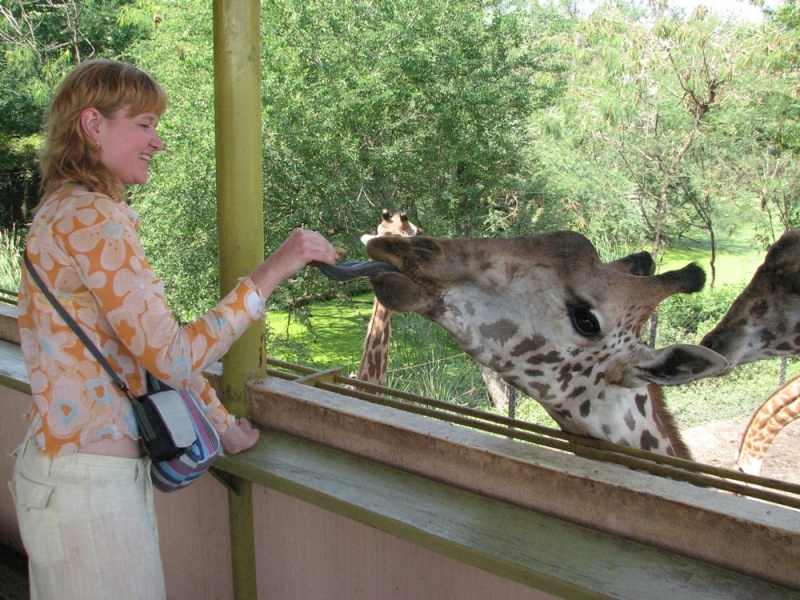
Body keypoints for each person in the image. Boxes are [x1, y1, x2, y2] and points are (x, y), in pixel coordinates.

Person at [9, 58, 339, 600]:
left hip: (65, 476)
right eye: (144, 125)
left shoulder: (61, 209)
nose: (156, 142)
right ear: (92, 124)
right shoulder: (91, 217)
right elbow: (172, 355)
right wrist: (272, 271)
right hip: (89, 493)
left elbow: (138, 349)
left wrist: (221, 423)